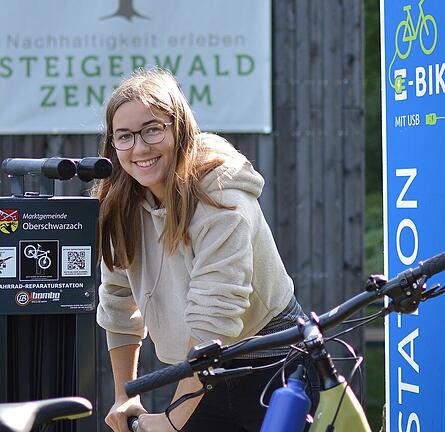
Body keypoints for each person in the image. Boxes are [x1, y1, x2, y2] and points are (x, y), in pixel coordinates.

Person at [93, 68, 308, 432]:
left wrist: (174, 421)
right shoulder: (118, 204)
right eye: (124, 136)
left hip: (271, 362)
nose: (140, 148)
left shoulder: (221, 194)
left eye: (152, 129)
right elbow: (117, 301)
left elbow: (213, 318)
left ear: (179, 129)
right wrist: (123, 394)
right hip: (200, 368)